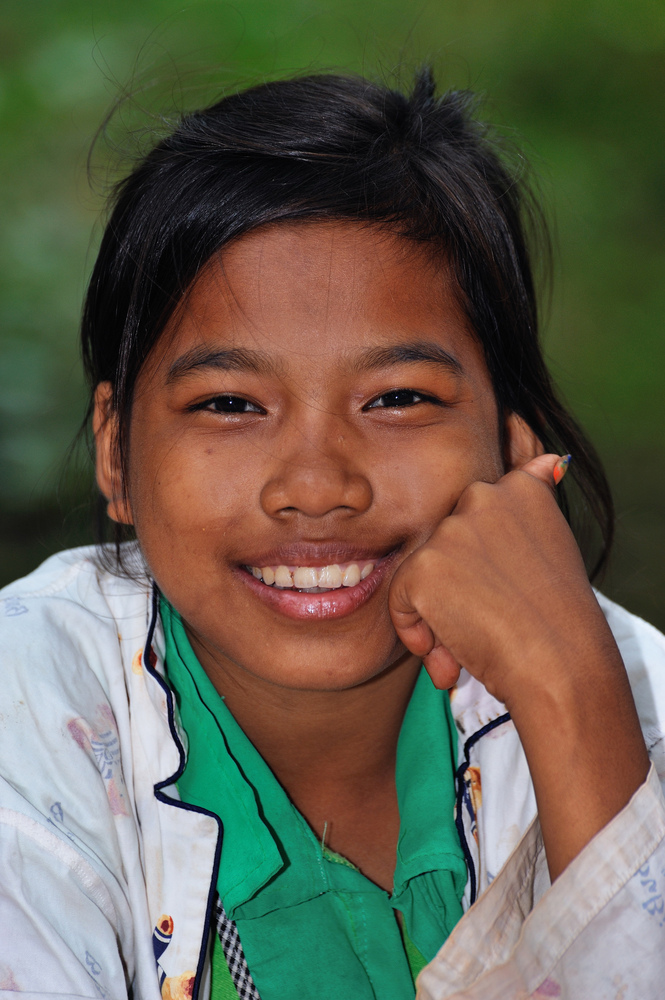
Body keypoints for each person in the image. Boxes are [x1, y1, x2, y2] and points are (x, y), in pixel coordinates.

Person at [0, 69, 664, 1000]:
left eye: (397, 399)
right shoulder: (24, 718)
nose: (315, 487)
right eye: (229, 404)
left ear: (514, 449)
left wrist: (575, 709)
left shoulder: (628, 694)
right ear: (117, 455)